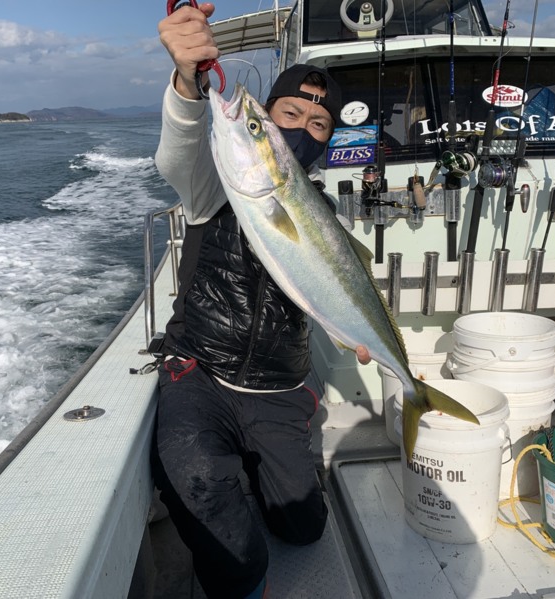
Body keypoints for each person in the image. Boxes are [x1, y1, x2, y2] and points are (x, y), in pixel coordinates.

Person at [152, 3, 369, 599]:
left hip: (280, 387)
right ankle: (246, 586)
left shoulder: (323, 217)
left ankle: (262, 460)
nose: (302, 128)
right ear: (269, 121)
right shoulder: (212, 183)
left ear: (329, 142)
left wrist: (357, 334)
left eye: (319, 124)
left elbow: (331, 290)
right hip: (201, 372)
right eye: (287, 113)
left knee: (303, 528)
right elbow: (180, 147)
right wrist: (187, 77)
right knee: (199, 485)